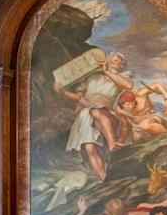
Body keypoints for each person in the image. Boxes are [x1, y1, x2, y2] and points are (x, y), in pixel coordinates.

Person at [56, 51, 134, 179]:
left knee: (97, 111)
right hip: (85, 116)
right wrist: (62, 92)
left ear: (122, 66)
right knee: (90, 149)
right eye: (114, 60)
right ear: (107, 60)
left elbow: (128, 85)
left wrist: (107, 71)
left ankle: (112, 145)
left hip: (107, 113)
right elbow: (79, 98)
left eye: (119, 61)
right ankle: (105, 179)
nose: (116, 63)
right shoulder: (92, 77)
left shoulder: (121, 78)